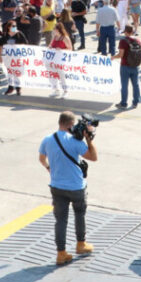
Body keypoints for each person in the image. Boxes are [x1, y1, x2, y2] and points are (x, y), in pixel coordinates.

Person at [38, 111, 98, 266]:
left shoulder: (48, 139)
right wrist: (88, 139)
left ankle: (61, 253)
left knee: (60, 220)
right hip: (76, 187)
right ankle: (81, 244)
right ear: (71, 125)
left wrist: (48, 168)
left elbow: (41, 158)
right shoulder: (75, 142)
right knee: (79, 214)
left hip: (56, 186)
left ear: (60, 122)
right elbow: (93, 157)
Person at [113, 24, 141, 108]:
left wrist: (113, 57)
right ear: (132, 32)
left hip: (125, 65)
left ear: (125, 32)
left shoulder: (123, 41)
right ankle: (135, 102)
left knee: (124, 85)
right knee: (135, 84)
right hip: (135, 65)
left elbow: (120, 55)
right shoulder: (138, 41)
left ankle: (124, 103)